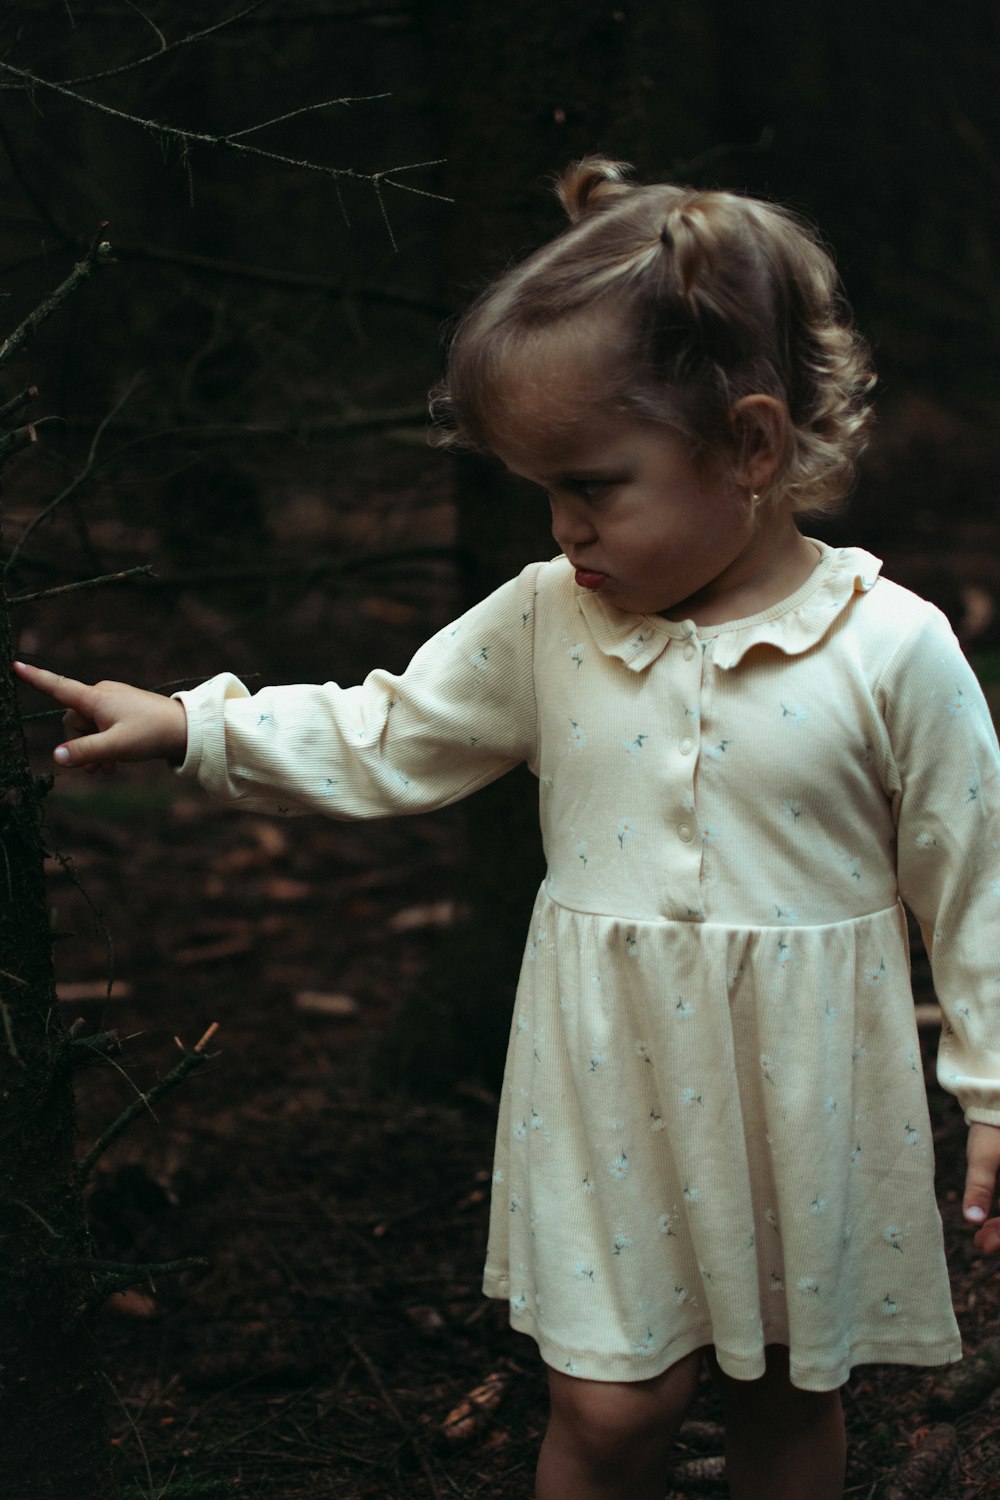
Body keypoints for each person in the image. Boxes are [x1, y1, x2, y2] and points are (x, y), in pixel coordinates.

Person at [14, 157, 1000, 1500]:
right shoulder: (550, 618)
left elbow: (974, 880)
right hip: (613, 1077)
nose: (564, 527)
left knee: (784, 1395)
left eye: (596, 484)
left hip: (803, 1085)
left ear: (753, 448)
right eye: (545, 491)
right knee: (611, 1409)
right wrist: (199, 727)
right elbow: (391, 729)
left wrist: (992, 1089)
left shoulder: (893, 647)